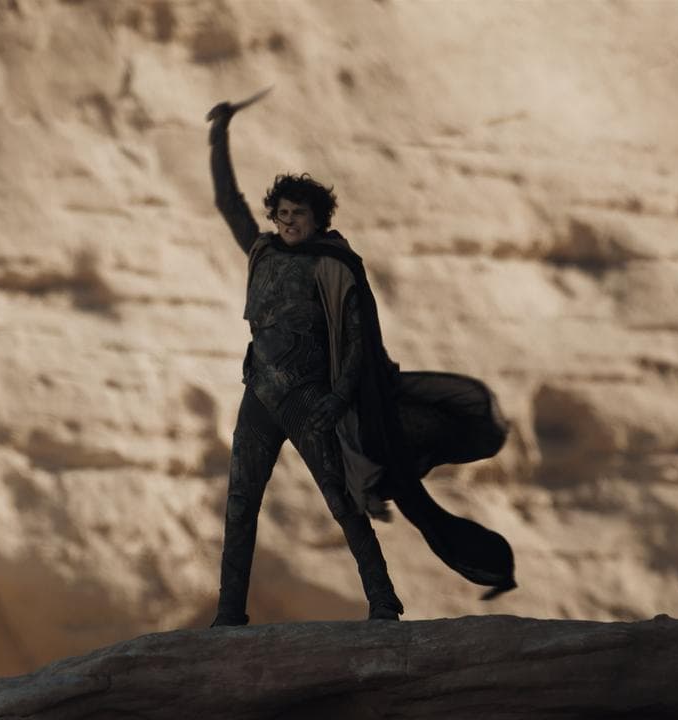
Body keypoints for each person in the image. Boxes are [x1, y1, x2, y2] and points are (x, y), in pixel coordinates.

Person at [207, 92, 516, 627]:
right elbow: (227, 203)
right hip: (259, 393)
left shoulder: (335, 265)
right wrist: (219, 138)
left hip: (310, 400)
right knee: (240, 502)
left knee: (342, 502)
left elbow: (357, 344)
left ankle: (384, 602)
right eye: (282, 214)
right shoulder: (262, 251)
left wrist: (337, 400)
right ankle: (229, 614)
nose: (288, 222)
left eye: (298, 214)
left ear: (317, 217)